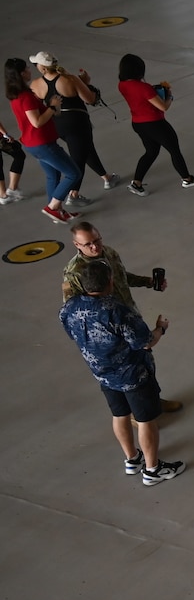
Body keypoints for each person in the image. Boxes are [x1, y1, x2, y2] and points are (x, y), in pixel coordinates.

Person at [59, 259, 184, 485]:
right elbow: (145, 342)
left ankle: (132, 459)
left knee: (119, 415)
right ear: (110, 281)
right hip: (133, 375)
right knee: (146, 420)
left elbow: (73, 335)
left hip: (103, 374)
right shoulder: (116, 310)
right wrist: (160, 328)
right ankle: (152, 470)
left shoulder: (69, 308)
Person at [29, 53, 114, 199]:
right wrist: (86, 83)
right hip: (77, 123)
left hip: (57, 124)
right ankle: (73, 194)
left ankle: (106, 178)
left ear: (43, 68)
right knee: (78, 159)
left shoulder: (35, 84)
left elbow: (36, 106)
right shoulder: (70, 79)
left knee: (86, 149)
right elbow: (90, 99)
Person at [7, 57, 81, 224]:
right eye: (26, 69)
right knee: (73, 173)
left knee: (52, 176)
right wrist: (52, 106)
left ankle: (57, 212)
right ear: (20, 74)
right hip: (42, 144)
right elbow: (37, 122)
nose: (29, 71)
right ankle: (53, 207)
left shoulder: (15, 95)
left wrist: (51, 108)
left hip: (33, 144)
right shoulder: (25, 97)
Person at [115, 55, 194, 194]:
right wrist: (169, 96)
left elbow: (139, 98)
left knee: (151, 152)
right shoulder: (144, 87)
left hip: (138, 123)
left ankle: (137, 183)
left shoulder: (122, 85)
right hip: (155, 124)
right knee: (174, 150)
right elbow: (163, 107)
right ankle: (187, 179)